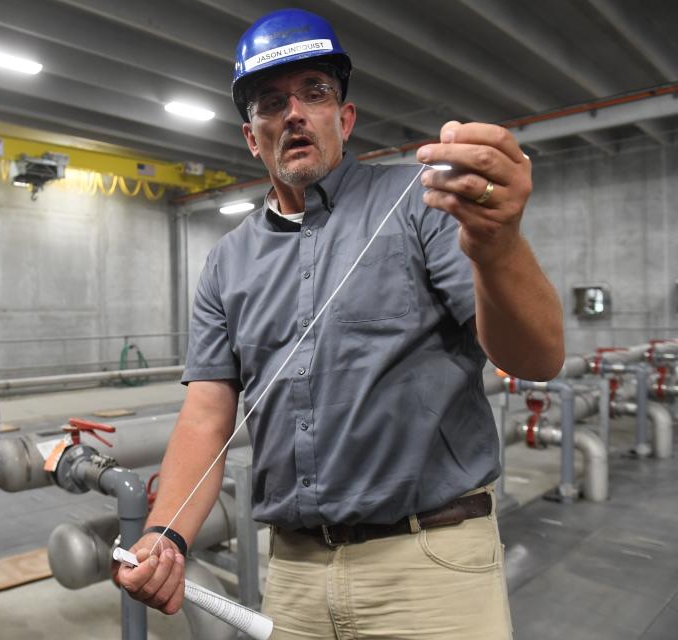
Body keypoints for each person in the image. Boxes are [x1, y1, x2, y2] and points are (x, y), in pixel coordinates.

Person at [117, 9, 564, 640]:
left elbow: (537, 357)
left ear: (344, 118)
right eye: (271, 103)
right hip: (295, 573)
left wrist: (500, 246)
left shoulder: (423, 206)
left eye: (315, 94)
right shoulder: (227, 261)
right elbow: (207, 416)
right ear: (253, 138)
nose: (294, 113)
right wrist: (166, 533)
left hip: (430, 566)